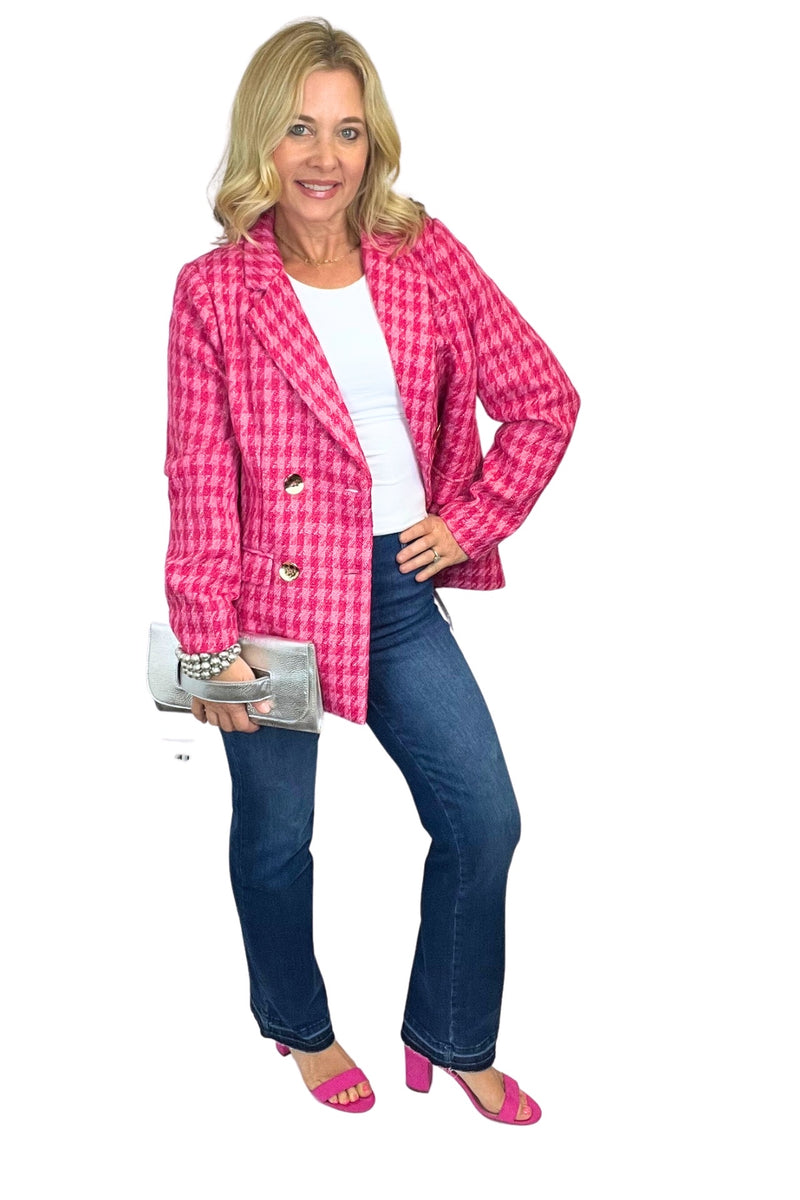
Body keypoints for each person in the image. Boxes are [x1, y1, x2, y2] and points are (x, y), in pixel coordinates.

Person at [164, 17, 580, 1125]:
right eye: (299, 127)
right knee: (274, 840)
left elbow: (544, 399)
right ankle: (298, 1026)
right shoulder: (214, 289)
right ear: (262, 138)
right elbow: (199, 471)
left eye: (347, 131)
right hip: (267, 606)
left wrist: (472, 519)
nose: (324, 156)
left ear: (373, 142)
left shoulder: (422, 251)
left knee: (484, 819)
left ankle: (450, 1033)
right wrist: (206, 643)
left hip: (394, 592)